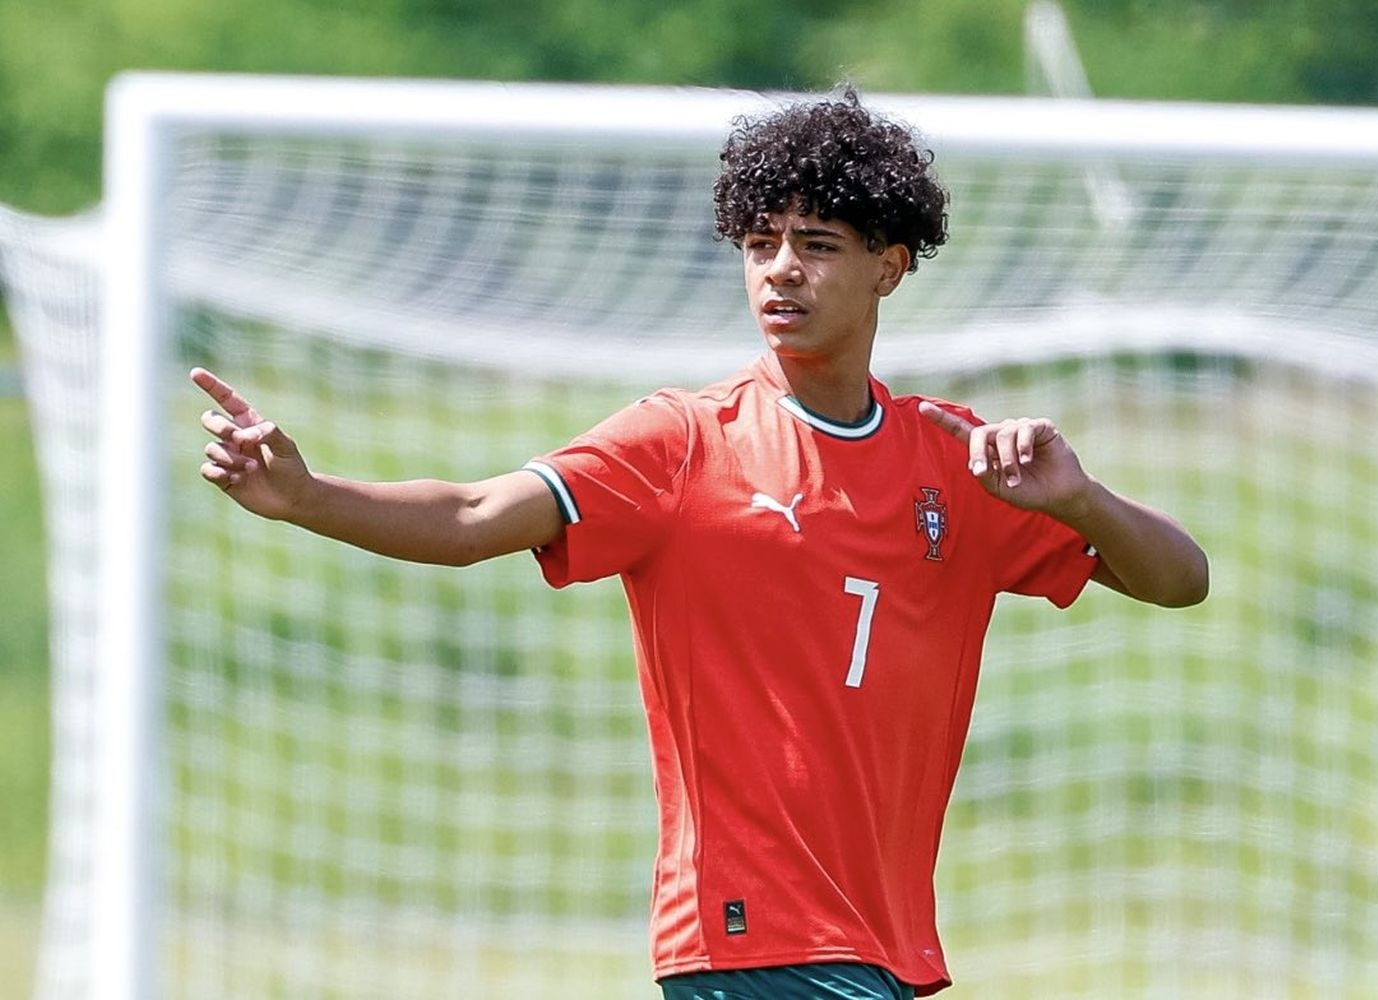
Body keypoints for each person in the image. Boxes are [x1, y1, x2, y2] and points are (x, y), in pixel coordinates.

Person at [195, 90, 1208, 1000]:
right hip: (750, 935)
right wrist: (308, 496)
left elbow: (1179, 579)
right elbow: (472, 515)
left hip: (879, 947)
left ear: (889, 266)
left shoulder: (953, 459)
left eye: (816, 243)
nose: (781, 268)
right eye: (760, 242)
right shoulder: (683, 442)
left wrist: (1082, 501)